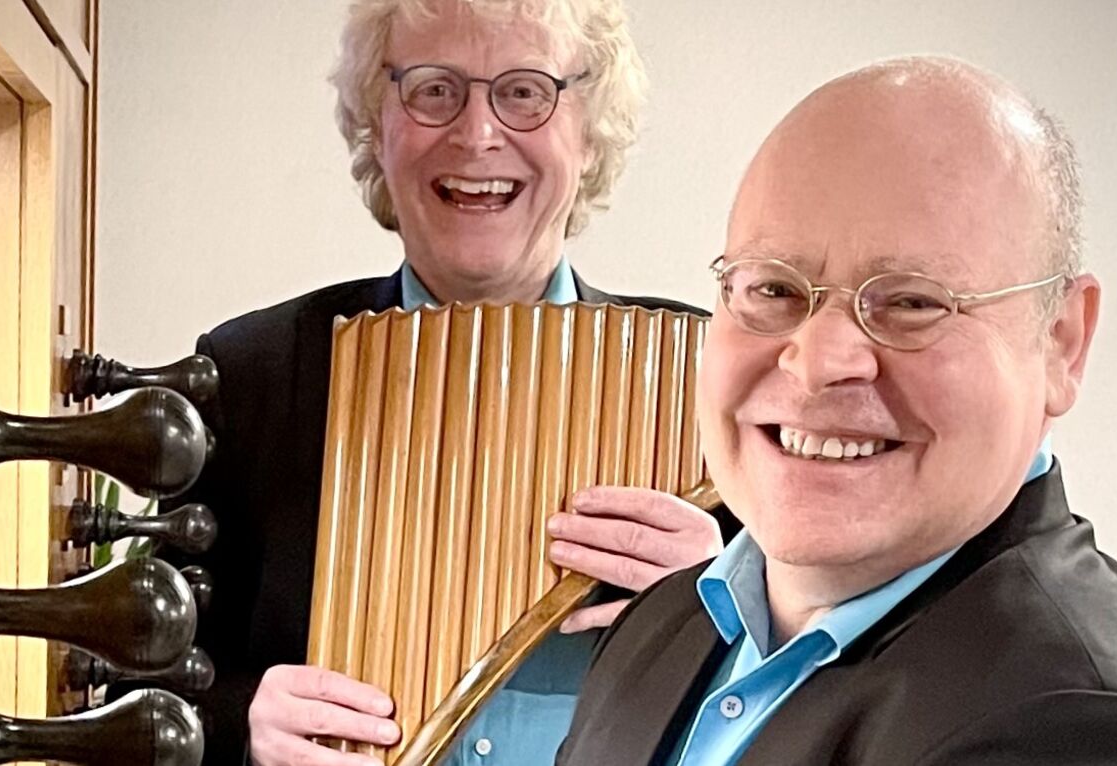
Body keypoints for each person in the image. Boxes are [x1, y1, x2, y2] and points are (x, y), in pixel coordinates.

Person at [556, 56, 1117, 765]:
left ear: (1062, 342)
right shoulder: (666, 618)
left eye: (911, 302)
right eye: (774, 290)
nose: (818, 362)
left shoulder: (1078, 734)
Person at [159, 1, 734, 763]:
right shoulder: (249, 375)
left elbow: (830, 689)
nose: (477, 133)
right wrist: (239, 725)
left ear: (590, 133)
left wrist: (732, 606)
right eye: (435, 90)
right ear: (377, 126)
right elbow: (144, 678)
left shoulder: (716, 380)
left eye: (525, 92)